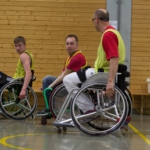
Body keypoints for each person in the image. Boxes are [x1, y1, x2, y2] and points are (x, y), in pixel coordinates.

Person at [63, 9, 126, 114]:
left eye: (93, 20)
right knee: (81, 76)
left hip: (102, 73)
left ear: (96, 20)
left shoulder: (108, 35)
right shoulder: (114, 32)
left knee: (67, 80)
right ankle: (90, 103)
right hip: (103, 72)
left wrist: (110, 82)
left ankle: (89, 109)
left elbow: (114, 58)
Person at [37, 34, 87, 115]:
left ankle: (50, 109)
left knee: (47, 79)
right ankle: (51, 107)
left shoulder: (77, 58)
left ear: (77, 45)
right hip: (68, 82)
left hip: (75, 85)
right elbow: (62, 74)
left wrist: (50, 86)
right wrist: (49, 85)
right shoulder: (69, 58)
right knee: (47, 80)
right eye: (67, 44)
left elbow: (64, 76)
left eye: (71, 44)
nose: (69, 46)